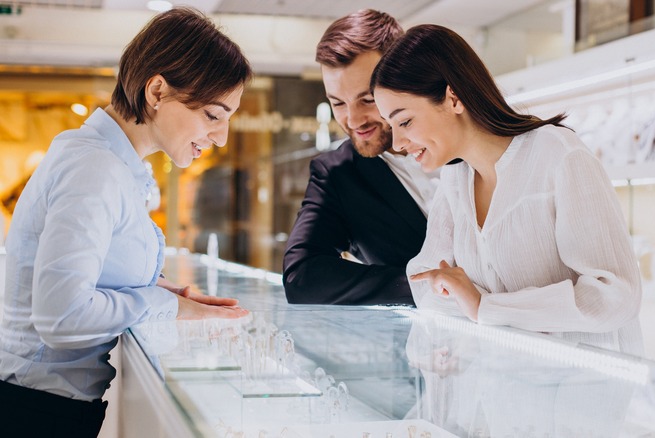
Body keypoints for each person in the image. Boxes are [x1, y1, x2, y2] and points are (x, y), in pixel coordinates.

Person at [0, 7, 252, 436]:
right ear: (157, 90)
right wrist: (168, 306)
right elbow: (61, 316)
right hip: (35, 411)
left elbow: (88, 274)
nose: (221, 137)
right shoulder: (95, 168)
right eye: (213, 115)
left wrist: (165, 292)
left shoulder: (108, 163)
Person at [371, 24, 643, 354]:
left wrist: (485, 307)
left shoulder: (558, 155)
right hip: (498, 391)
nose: (398, 143)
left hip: (578, 394)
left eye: (405, 122)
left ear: (453, 97)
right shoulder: (455, 180)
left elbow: (615, 296)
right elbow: (425, 283)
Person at [282, 9, 439, 305]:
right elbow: (301, 276)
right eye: (338, 103)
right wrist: (426, 288)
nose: (353, 120)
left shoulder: (464, 143)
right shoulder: (338, 173)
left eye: (367, 99)